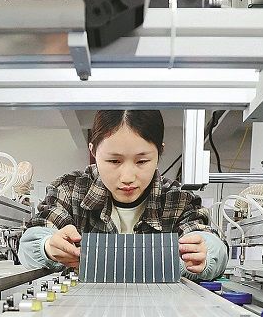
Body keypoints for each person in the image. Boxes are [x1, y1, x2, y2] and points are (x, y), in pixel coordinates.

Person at [19, 109, 227, 280]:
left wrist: (205, 252)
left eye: (142, 161)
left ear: (159, 152)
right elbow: (31, 244)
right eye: (114, 161)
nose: (127, 177)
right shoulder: (71, 189)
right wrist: (47, 246)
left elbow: (208, 241)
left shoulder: (177, 200)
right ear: (93, 150)